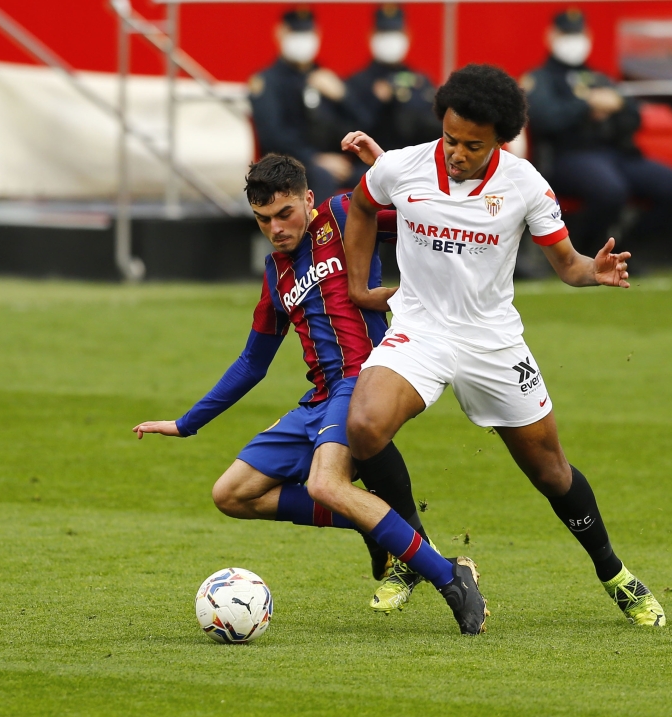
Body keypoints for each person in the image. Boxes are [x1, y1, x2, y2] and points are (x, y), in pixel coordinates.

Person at [341, 64, 666, 627]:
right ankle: (414, 551)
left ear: (500, 141)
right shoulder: (402, 166)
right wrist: (357, 286)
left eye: (473, 145)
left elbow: (567, 265)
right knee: (365, 427)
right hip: (421, 328)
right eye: (450, 138)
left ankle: (616, 575)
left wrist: (597, 271)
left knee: (550, 472)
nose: (457, 153)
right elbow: (363, 205)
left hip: (492, 341)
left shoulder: (525, 184)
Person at [132, 154, 488, 635]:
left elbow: (422, 217)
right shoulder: (275, 272)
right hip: (319, 399)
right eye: (263, 220)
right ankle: (374, 523)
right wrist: (186, 423)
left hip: (365, 380)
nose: (276, 229)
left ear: (307, 198)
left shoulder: (343, 215)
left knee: (326, 485)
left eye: (284, 214)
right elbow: (253, 362)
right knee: (231, 494)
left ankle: (452, 578)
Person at [521, 8, 672, 259]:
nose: (574, 40)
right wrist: (586, 105)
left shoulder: (600, 79)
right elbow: (545, 119)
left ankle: (626, 249)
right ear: (551, 36)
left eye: (578, 33)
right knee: (610, 190)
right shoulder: (539, 79)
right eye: (566, 34)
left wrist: (616, 106)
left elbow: (633, 117)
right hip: (569, 157)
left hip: (617, 155)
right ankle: (581, 256)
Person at [249, 8, 365, 204]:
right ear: (280, 33)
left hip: (335, 162)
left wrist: (343, 96)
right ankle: (318, 234)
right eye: (296, 33)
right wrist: (315, 158)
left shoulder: (326, 79)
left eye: (307, 33)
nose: (302, 40)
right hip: (290, 166)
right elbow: (272, 134)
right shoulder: (267, 82)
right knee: (320, 177)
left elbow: (363, 123)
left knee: (372, 176)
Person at [346, 5, 442, 151]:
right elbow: (350, 129)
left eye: (395, 32)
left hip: (414, 162)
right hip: (371, 164)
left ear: (407, 35)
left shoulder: (420, 81)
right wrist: (377, 101)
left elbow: (434, 128)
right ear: (372, 35)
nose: (390, 39)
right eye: (384, 32)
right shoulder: (358, 82)